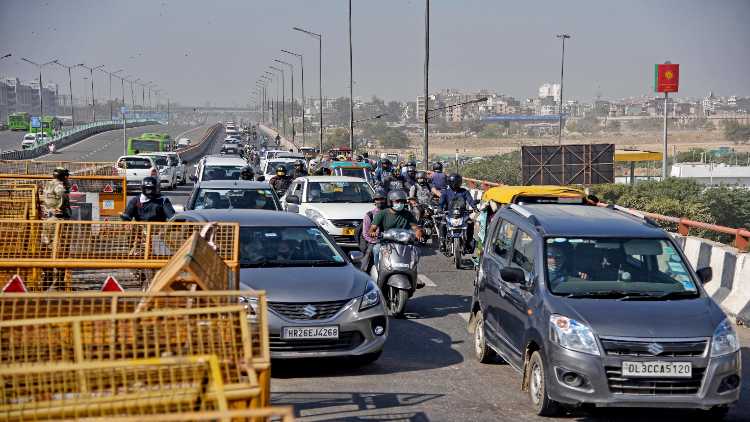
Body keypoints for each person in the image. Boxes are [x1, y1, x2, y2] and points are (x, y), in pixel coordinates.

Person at [369, 190, 424, 267]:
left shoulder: (407, 214)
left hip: (404, 242)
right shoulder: (382, 213)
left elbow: (415, 227)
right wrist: (372, 232)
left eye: (402, 202)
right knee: (376, 250)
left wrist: (418, 231)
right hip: (386, 242)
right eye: (397, 201)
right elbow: (372, 229)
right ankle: (378, 269)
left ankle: (413, 270)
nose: (400, 204)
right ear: (390, 202)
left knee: (417, 251)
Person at [438, 173, 477, 253]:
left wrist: (474, 207)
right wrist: (439, 209)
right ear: (450, 182)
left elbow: (470, 200)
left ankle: (469, 242)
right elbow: (441, 203)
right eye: (454, 182)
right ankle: (442, 242)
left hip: (463, 214)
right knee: (442, 224)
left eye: (457, 182)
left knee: (470, 223)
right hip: (449, 214)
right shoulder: (445, 192)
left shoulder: (464, 192)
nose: (455, 184)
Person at [359, 188, 388, 271]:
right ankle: (374, 270)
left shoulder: (390, 212)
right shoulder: (370, 215)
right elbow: (365, 233)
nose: (379, 201)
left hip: (390, 241)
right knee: (372, 251)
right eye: (377, 199)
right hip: (374, 242)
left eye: (381, 199)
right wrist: (374, 240)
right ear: (374, 201)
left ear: (385, 200)